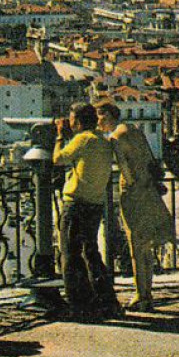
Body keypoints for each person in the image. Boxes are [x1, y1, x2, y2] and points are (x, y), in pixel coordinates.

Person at [95, 102, 176, 312]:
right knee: (146, 245)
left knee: (136, 246)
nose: (97, 122)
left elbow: (125, 168)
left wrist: (128, 186)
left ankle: (141, 295)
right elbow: (150, 159)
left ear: (107, 116)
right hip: (149, 189)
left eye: (99, 117)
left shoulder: (116, 137)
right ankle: (146, 292)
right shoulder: (133, 130)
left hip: (133, 192)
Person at [53, 103, 122, 320]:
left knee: (70, 255)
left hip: (76, 203)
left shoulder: (82, 139)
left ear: (80, 122)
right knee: (91, 253)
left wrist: (58, 137)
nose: (69, 122)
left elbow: (58, 159)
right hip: (95, 203)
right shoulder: (103, 140)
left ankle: (79, 305)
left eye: (72, 119)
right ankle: (105, 300)